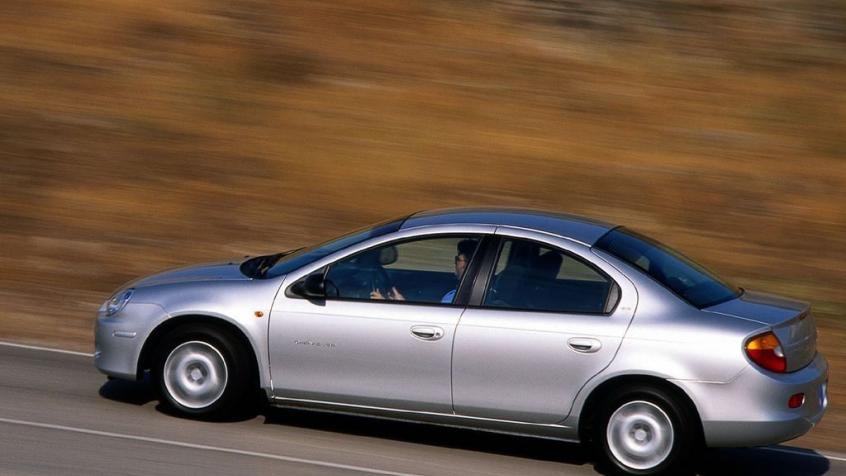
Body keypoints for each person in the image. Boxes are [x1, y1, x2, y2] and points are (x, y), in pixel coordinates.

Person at [440, 239, 477, 304]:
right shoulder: (491, 296)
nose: (455, 263)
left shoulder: (452, 299)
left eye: (457, 259)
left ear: (465, 265)